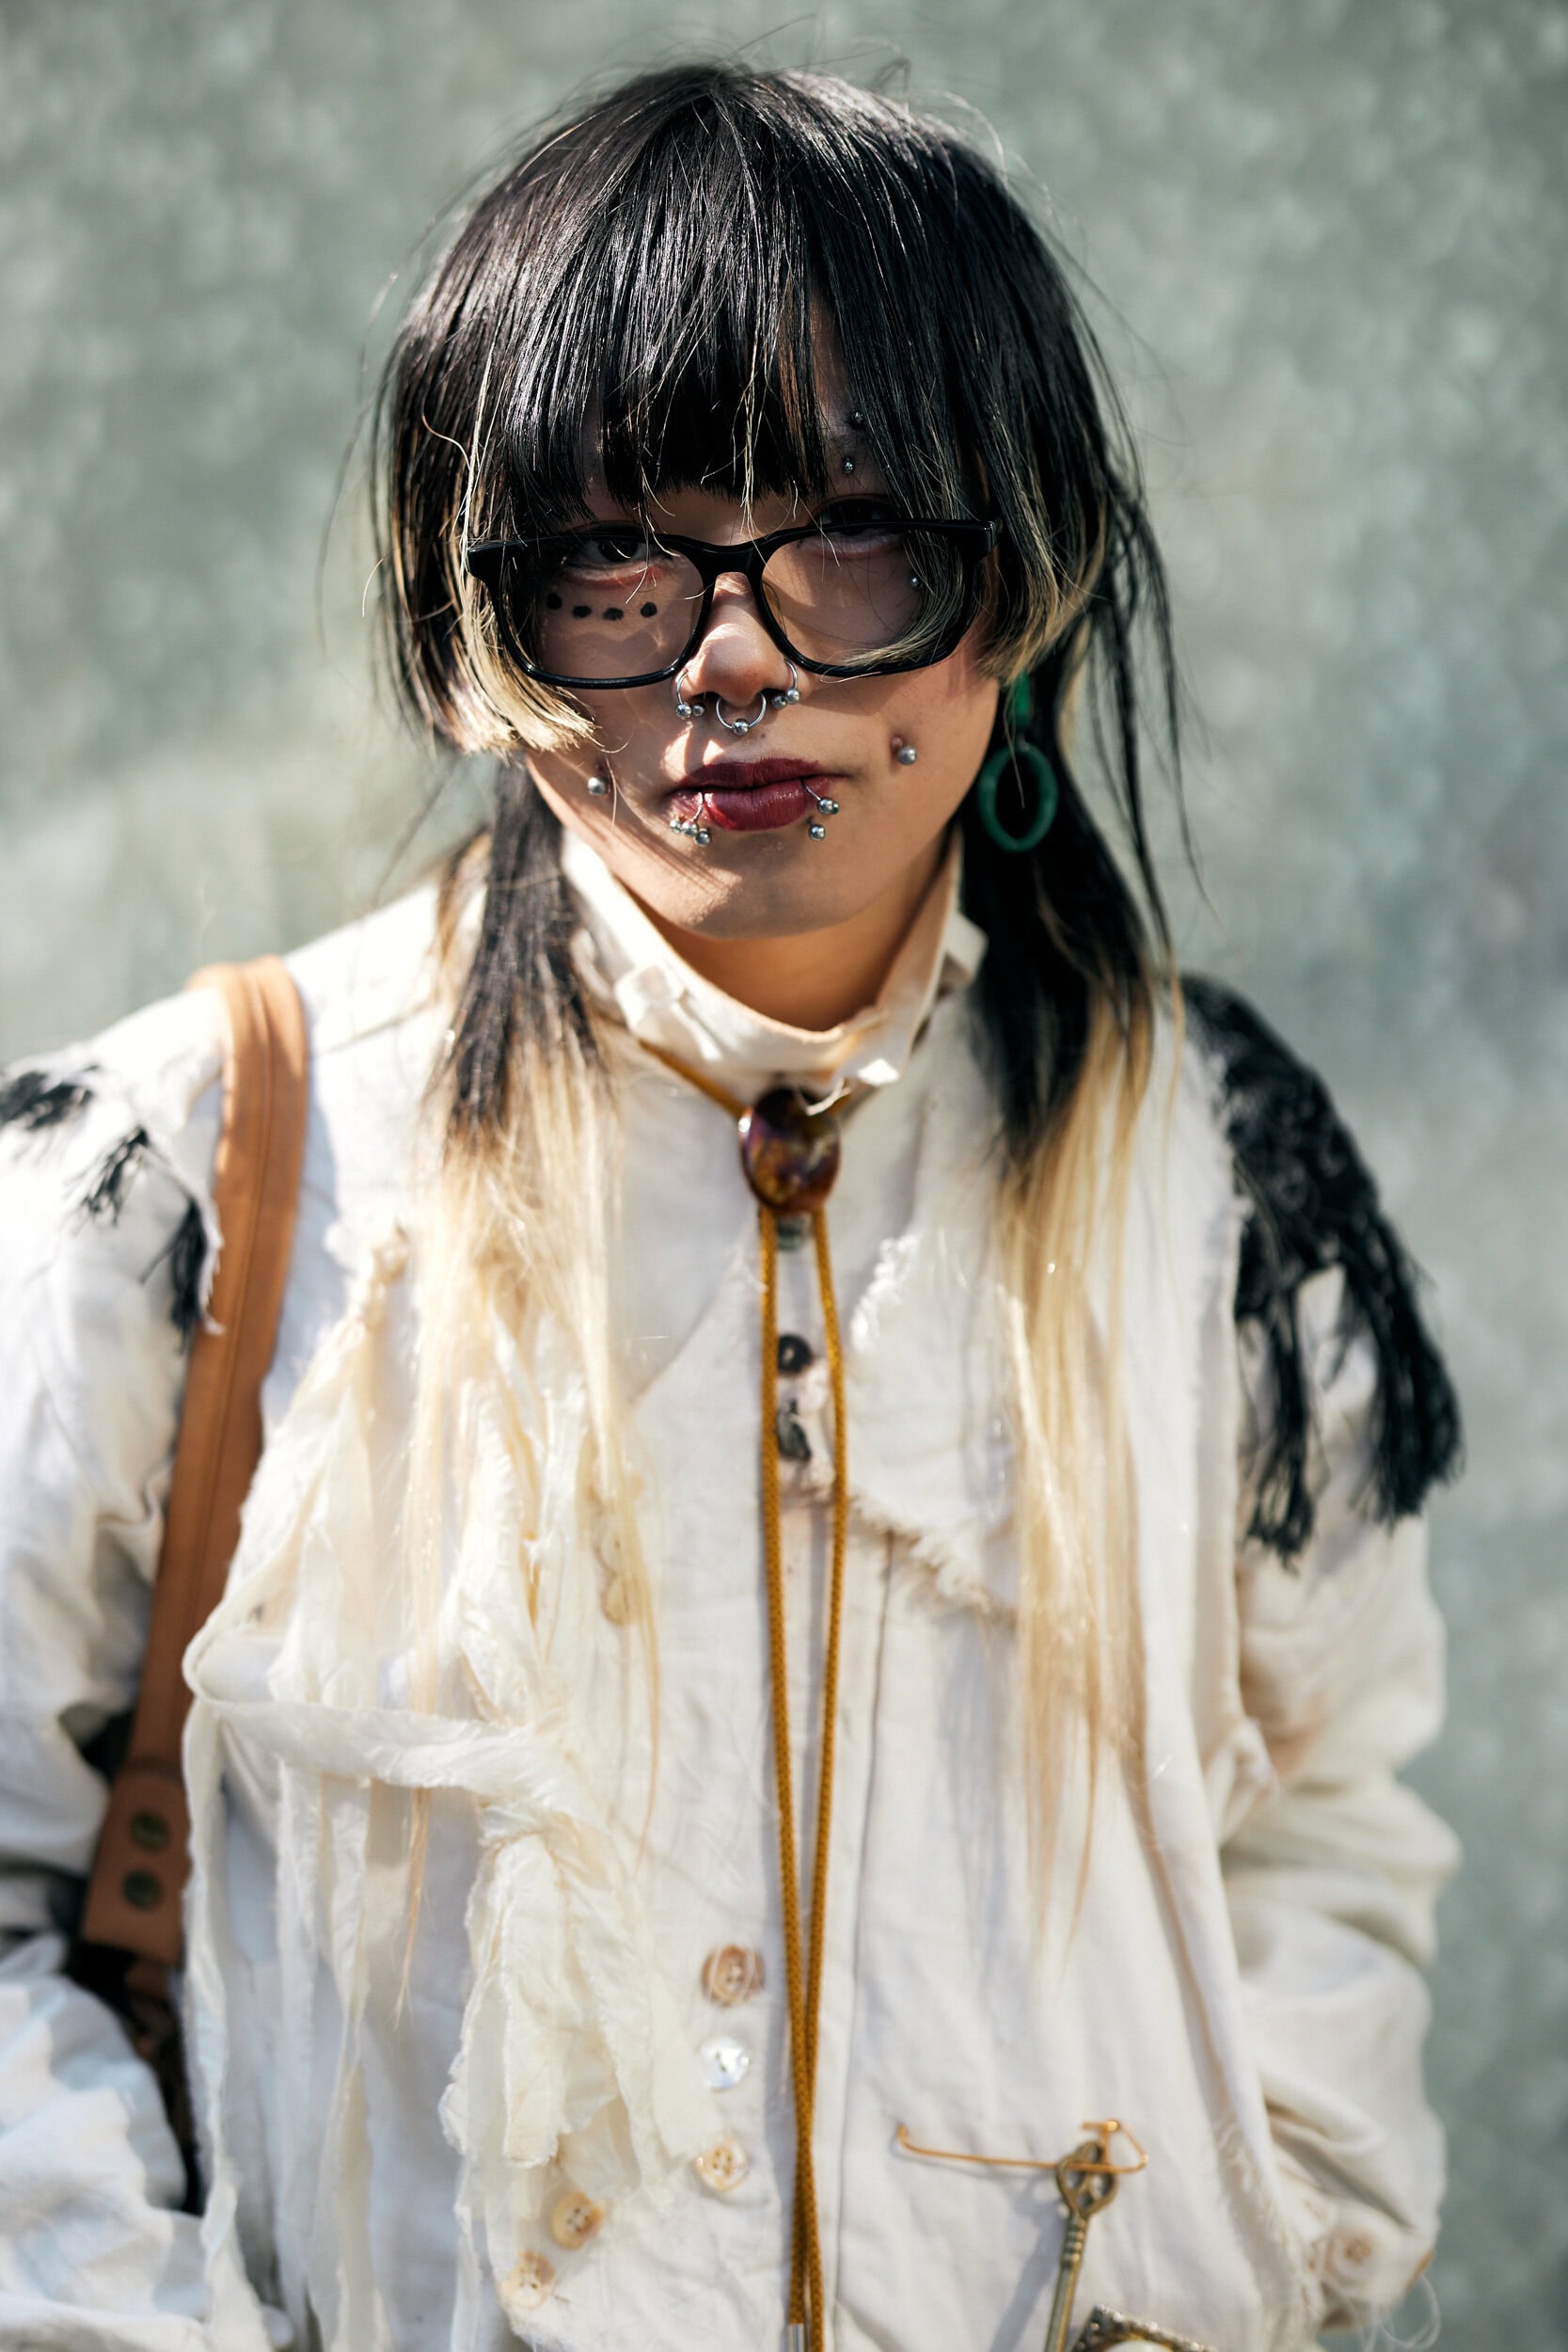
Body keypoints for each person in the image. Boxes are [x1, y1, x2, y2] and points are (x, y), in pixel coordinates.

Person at [0, 62, 1461, 2352]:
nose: (735, 655)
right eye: (612, 560)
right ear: (473, 647)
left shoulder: (1215, 1185)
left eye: (854, 535)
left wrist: (1254, 2254)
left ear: (1024, 582)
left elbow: (1325, 1813)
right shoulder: (188, 1172)